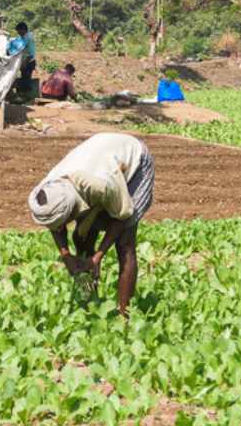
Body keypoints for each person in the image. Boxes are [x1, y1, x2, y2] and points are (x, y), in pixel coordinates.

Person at [28, 133, 154, 316]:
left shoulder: (99, 185)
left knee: (125, 243)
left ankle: (125, 314)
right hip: (98, 157)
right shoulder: (46, 191)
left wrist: (98, 256)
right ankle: (91, 301)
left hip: (134, 160)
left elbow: (122, 216)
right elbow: (55, 226)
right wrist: (66, 255)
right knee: (82, 239)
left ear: (72, 209)